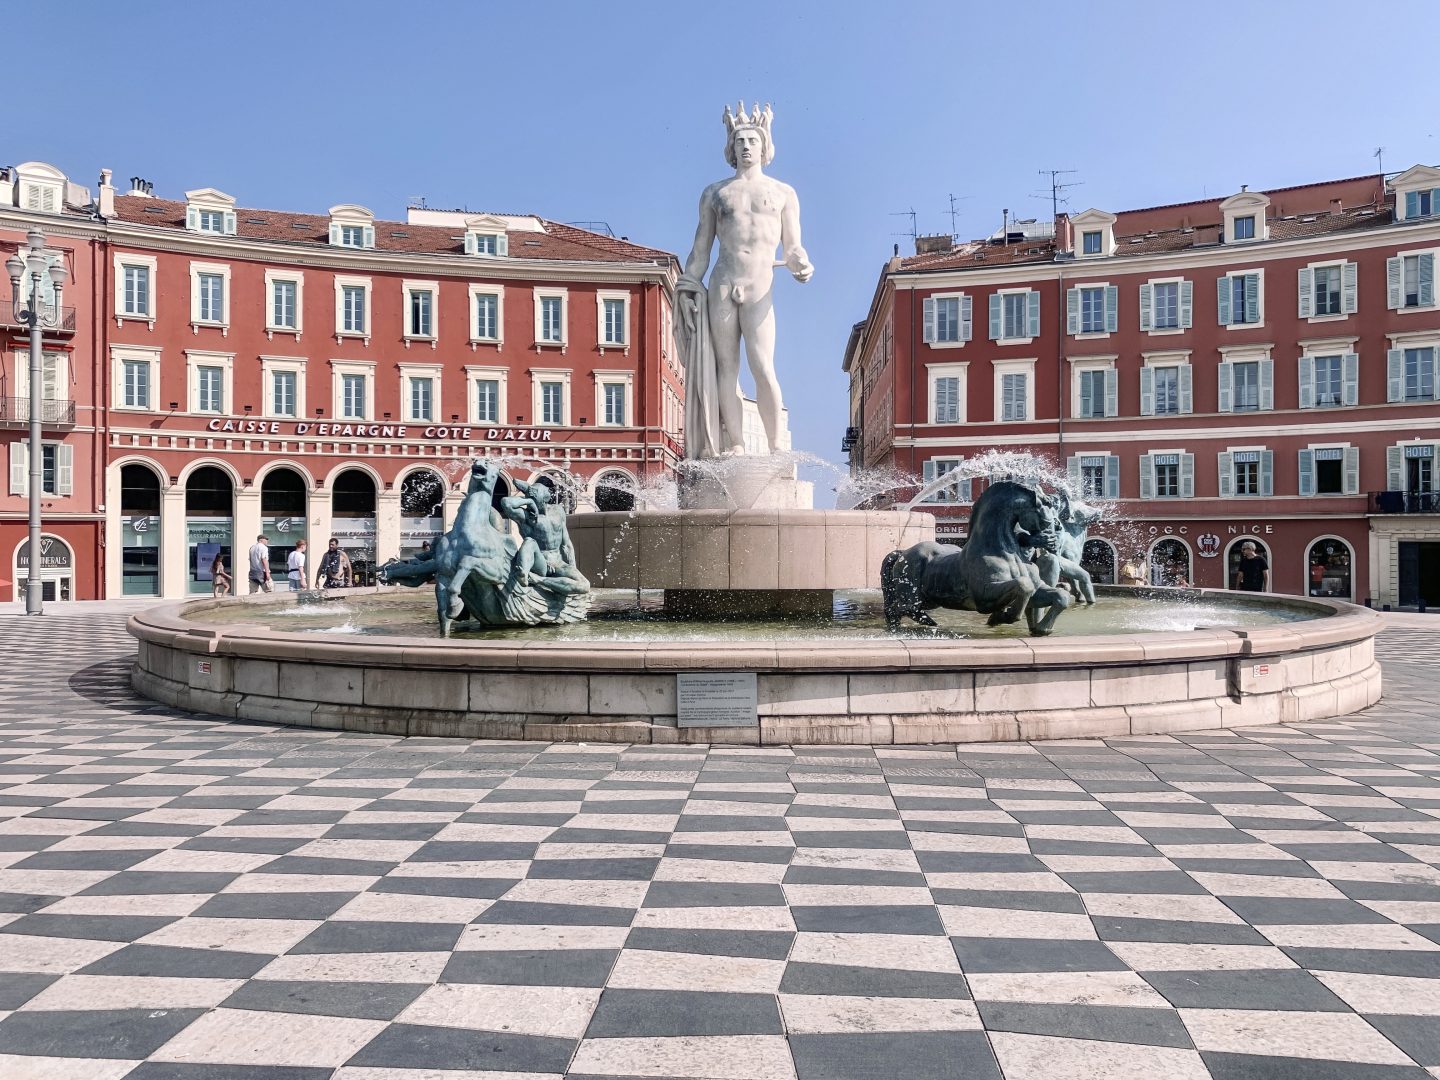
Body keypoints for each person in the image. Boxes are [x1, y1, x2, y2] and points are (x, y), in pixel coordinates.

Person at [676, 101, 812, 459]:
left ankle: (776, 445)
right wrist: (689, 285)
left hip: (760, 284)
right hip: (723, 281)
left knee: (763, 365)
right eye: (740, 141)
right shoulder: (715, 193)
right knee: (727, 367)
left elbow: (793, 245)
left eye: (752, 140)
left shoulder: (783, 193)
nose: (746, 146)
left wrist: (801, 262)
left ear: (765, 147)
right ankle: (735, 443)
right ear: (731, 148)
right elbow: (700, 249)